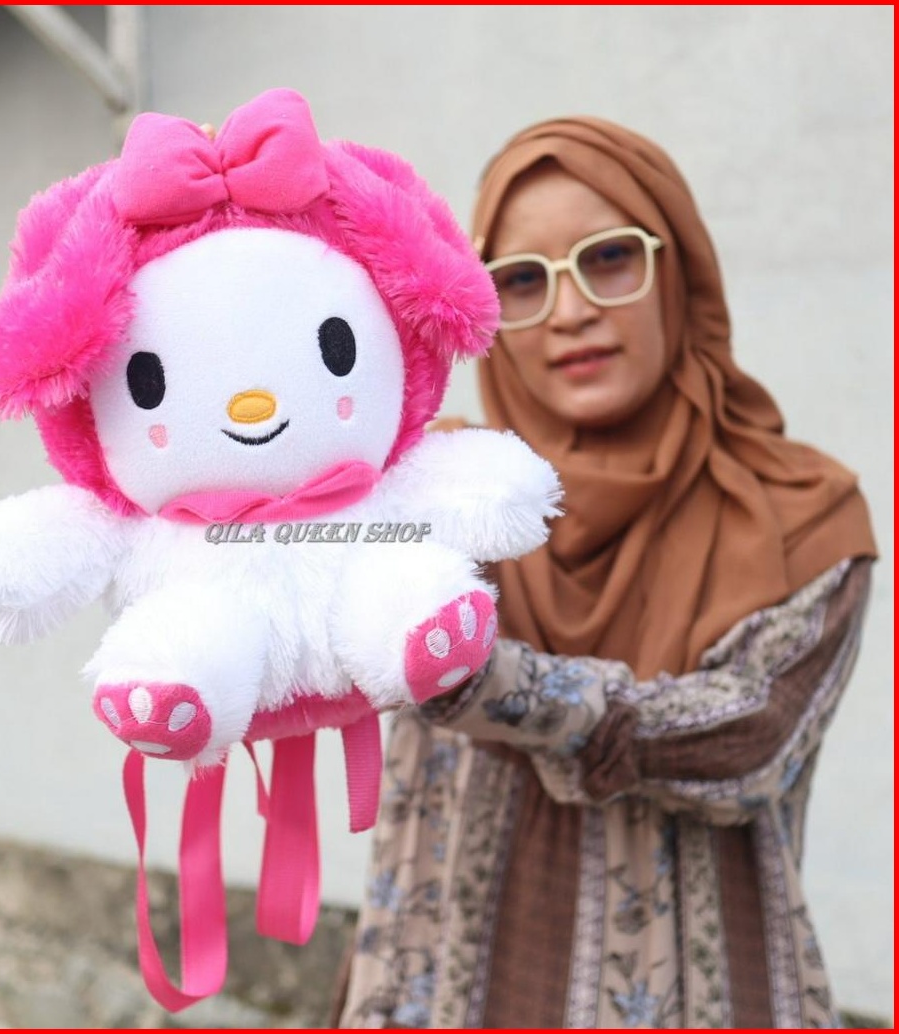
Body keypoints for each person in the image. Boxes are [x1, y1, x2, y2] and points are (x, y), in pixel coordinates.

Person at [333, 116, 877, 1028]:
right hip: (440, 991)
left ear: (680, 270)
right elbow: (291, 572)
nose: (571, 310)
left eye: (609, 259)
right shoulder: (439, 491)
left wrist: (476, 677)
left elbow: (748, 743)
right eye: (522, 280)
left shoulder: (802, 516)